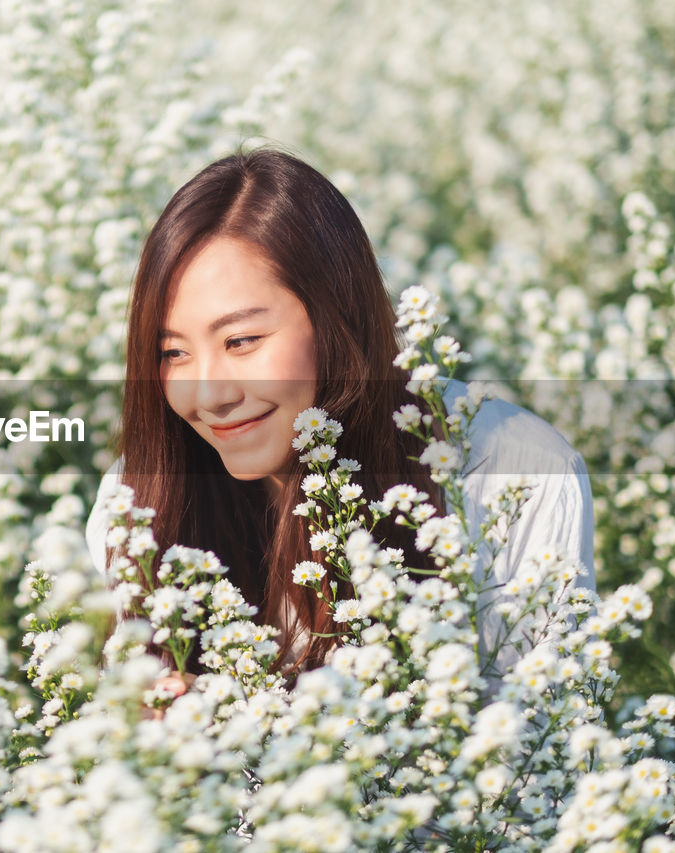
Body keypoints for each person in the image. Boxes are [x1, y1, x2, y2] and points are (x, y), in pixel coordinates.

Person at [84, 147, 595, 692]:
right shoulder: (139, 499)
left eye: (241, 341)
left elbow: (537, 750)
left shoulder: (514, 474)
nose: (208, 395)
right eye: (173, 353)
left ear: (337, 316)